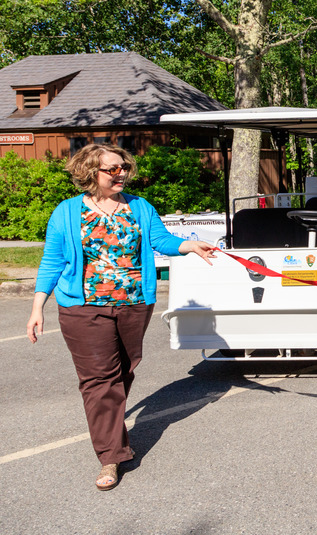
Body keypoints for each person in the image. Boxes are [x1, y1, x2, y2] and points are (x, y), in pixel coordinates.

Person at [26, 143, 216, 491]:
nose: (121, 174)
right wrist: (38, 306)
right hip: (82, 308)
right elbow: (51, 262)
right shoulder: (66, 213)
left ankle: (110, 425)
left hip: (133, 304)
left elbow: (161, 239)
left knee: (124, 370)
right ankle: (111, 456)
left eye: (123, 167)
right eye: (111, 169)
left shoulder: (140, 207)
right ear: (89, 174)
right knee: (99, 380)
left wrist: (189, 246)